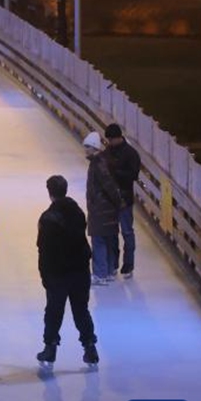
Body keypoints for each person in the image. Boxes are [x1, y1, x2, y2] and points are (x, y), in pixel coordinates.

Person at [35, 176, 100, 369]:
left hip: (58, 273)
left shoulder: (48, 218)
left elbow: (44, 249)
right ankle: (90, 347)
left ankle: (50, 347)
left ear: (49, 192)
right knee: (81, 310)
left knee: (54, 311)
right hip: (80, 270)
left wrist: (44, 275)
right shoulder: (78, 212)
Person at [83, 132, 122, 286]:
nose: (85, 150)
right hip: (106, 210)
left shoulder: (98, 165)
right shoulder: (100, 162)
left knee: (99, 241)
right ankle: (110, 270)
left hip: (101, 210)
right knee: (108, 239)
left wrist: (117, 202)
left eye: (87, 147)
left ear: (93, 148)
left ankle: (100, 273)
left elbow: (109, 186)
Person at [103, 124, 142, 279]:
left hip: (125, 199)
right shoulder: (108, 152)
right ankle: (112, 264)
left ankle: (128, 264)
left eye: (111, 140)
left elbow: (133, 175)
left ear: (118, 137)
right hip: (110, 200)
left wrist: (115, 172)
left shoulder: (131, 154)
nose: (109, 143)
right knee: (111, 232)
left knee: (127, 232)